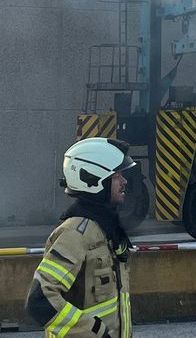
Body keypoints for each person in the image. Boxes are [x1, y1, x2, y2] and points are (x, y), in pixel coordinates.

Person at [26, 137, 135, 338]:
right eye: (117, 175)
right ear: (94, 178)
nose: (124, 181)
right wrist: (95, 332)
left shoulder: (107, 229)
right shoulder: (75, 233)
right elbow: (40, 301)